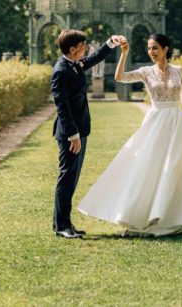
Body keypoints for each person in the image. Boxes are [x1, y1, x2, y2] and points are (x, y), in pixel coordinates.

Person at [77, 33, 182, 236]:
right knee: (152, 167)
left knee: (176, 168)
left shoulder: (179, 71)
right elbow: (120, 77)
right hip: (156, 122)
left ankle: (171, 215)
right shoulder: (145, 72)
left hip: (178, 124)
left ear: (166, 49)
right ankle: (147, 213)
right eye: (149, 48)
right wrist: (123, 54)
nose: (151, 52)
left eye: (155, 48)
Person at [50, 29, 127, 239]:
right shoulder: (60, 71)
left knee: (72, 179)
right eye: (83, 46)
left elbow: (96, 57)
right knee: (66, 178)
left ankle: (66, 223)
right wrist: (73, 135)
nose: (86, 49)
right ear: (73, 49)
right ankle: (61, 226)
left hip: (80, 130)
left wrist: (111, 42)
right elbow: (62, 107)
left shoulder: (75, 64)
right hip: (70, 135)